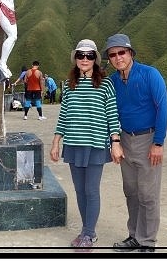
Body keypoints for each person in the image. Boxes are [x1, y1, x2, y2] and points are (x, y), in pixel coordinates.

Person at [50, 39, 122, 251]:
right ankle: (86, 231)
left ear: (95, 60)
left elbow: (112, 115)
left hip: (95, 144)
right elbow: (64, 116)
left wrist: (115, 142)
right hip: (73, 144)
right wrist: (56, 142)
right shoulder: (69, 85)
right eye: (80, 55)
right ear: (75, 58)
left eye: (89, 55)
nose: (84, 59)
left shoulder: (105, 84)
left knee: (91, 190)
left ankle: (89, 234)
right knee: (80, 191)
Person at [103, 33, 167, 253]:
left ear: (130, 53)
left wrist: (158, 143)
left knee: (148, 194)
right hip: (125, 140)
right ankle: (134, 236)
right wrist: (114, 142)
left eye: (122, 52)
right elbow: (109, 112)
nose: (118, 57)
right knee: (131, 191)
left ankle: (148, 242)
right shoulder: (112, 82)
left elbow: (162, 108)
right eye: (112, 54)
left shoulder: (150, 74)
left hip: (148, 139)